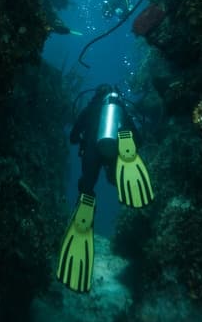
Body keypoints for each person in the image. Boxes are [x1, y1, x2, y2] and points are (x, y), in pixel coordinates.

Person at [56, 85, 154, 293]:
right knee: (120, 157)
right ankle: (119, 172)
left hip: (92, 151)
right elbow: (140, 140)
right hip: (115, 150)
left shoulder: (91, 108)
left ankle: (83, 216)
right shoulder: (120, 109)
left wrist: (84, 139)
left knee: (87, 189)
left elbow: (73, 137)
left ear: (96, 95)